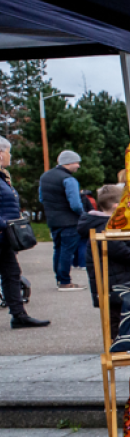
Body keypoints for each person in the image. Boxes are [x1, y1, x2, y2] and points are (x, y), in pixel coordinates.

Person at [0, 136, 49, 328]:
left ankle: (19, 315)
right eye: (8, 151)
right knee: (10, 274)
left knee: (12, 274)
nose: (10, 155)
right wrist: (6, 224)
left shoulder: (3, 177)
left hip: (5, 237)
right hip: (3, 231)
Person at [81, 184, 130, 327]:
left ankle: (121, 342)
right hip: (114, 283)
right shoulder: (106, 227)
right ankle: (118, 345)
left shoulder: (104, 224)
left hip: (116, 280)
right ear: (117, 206)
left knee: (123, 316)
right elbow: (118, 250)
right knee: (118, 318)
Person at [38, 150, 85, 291]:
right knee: (67, 251)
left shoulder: (45, 177)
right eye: (77, 163)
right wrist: (83, 214)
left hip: (53, 220)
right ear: (69, 163)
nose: (78, 166)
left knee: (58, 249)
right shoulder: (69, 179)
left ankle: (59, 279)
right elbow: (75, 204)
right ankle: (65, 281)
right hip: (69, 220)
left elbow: (41, 198)